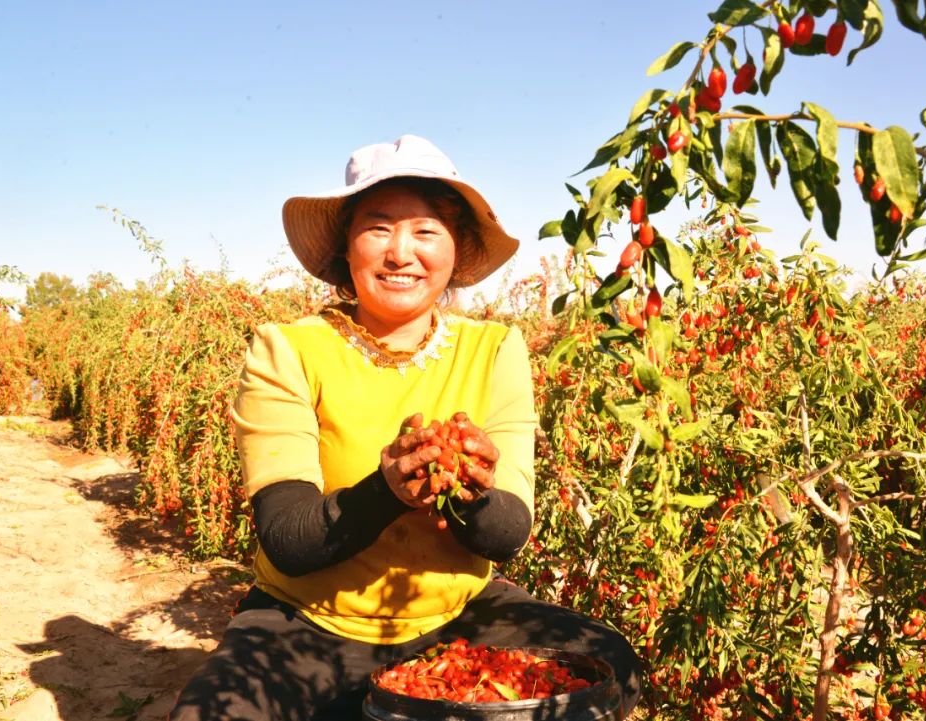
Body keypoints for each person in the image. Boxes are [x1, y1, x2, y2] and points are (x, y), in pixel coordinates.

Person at [168, 135, 641, 720]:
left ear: (455, 250)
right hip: (309, 621)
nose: (400, 253)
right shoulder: (287, 349)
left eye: (426, 231)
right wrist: (385, 491)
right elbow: (288, 539)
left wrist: (473, 491)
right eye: (377, 228)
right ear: (346, 248)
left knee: (607, 664)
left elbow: (508, 534)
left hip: (457, 613)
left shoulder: (493, 350)